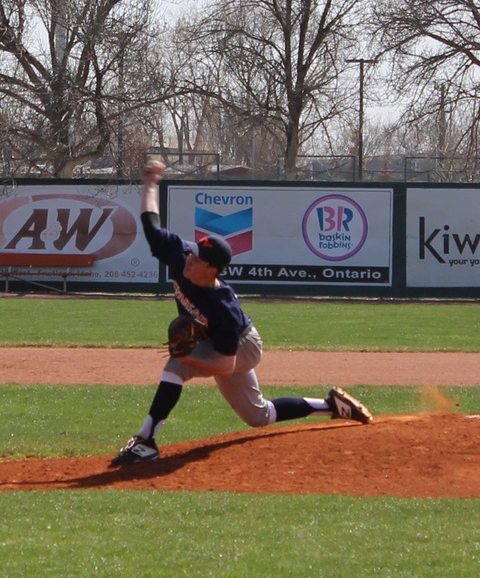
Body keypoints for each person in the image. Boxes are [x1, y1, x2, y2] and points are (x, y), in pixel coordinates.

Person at [113, 158, 369, 464]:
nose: (188, 261)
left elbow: (223, 365)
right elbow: (150, 222)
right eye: (191, 254)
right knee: (257, 415)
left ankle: (146, 440)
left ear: (212, 270)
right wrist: (151, 184)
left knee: (176, 366)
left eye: (197, 260)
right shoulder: (180, 256)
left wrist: (187, 356)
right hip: (214, 342)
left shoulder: (223, 307)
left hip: (243, 347)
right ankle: (330, 405)